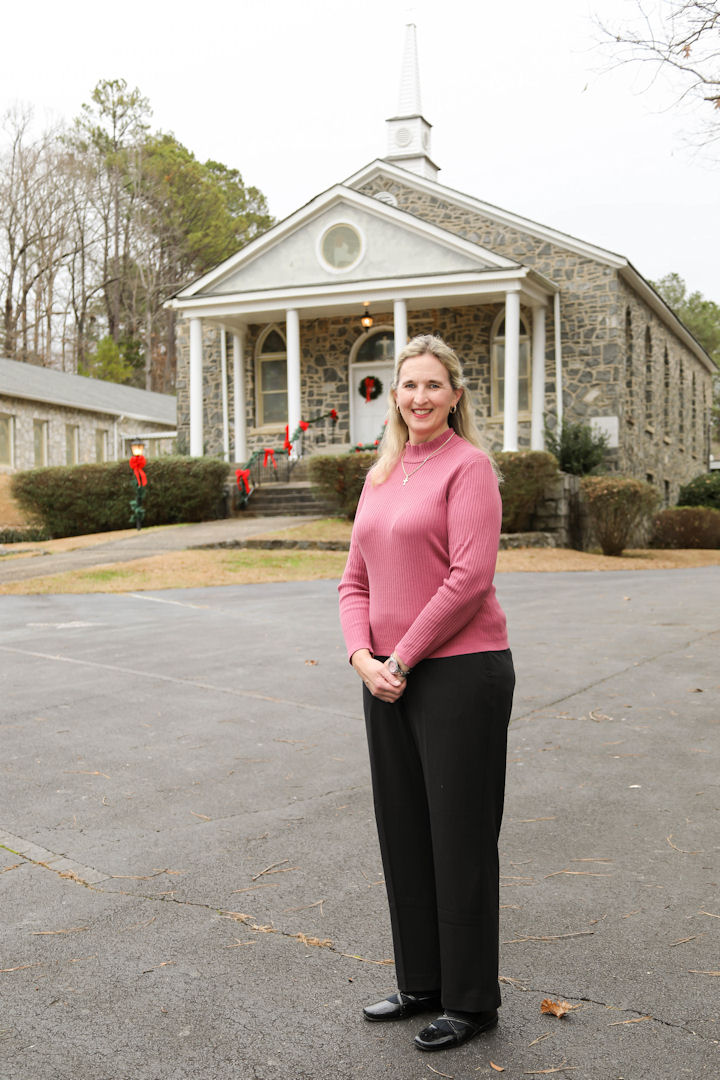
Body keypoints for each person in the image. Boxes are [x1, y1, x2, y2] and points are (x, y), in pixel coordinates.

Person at [338, 334, 515, 1053]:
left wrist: (401, 656)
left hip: (460, 674)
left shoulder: (469, 469)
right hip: (385, 678)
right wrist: (361, 656)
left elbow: (469, 579)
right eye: (407, 385)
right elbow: (354, 580)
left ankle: (471, 1002)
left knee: (460, 838)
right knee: (404, 832)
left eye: (432, 386)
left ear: (456, 394)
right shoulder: (379, 475)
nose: (418, 398)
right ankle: (422, 984)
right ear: (393, 395)